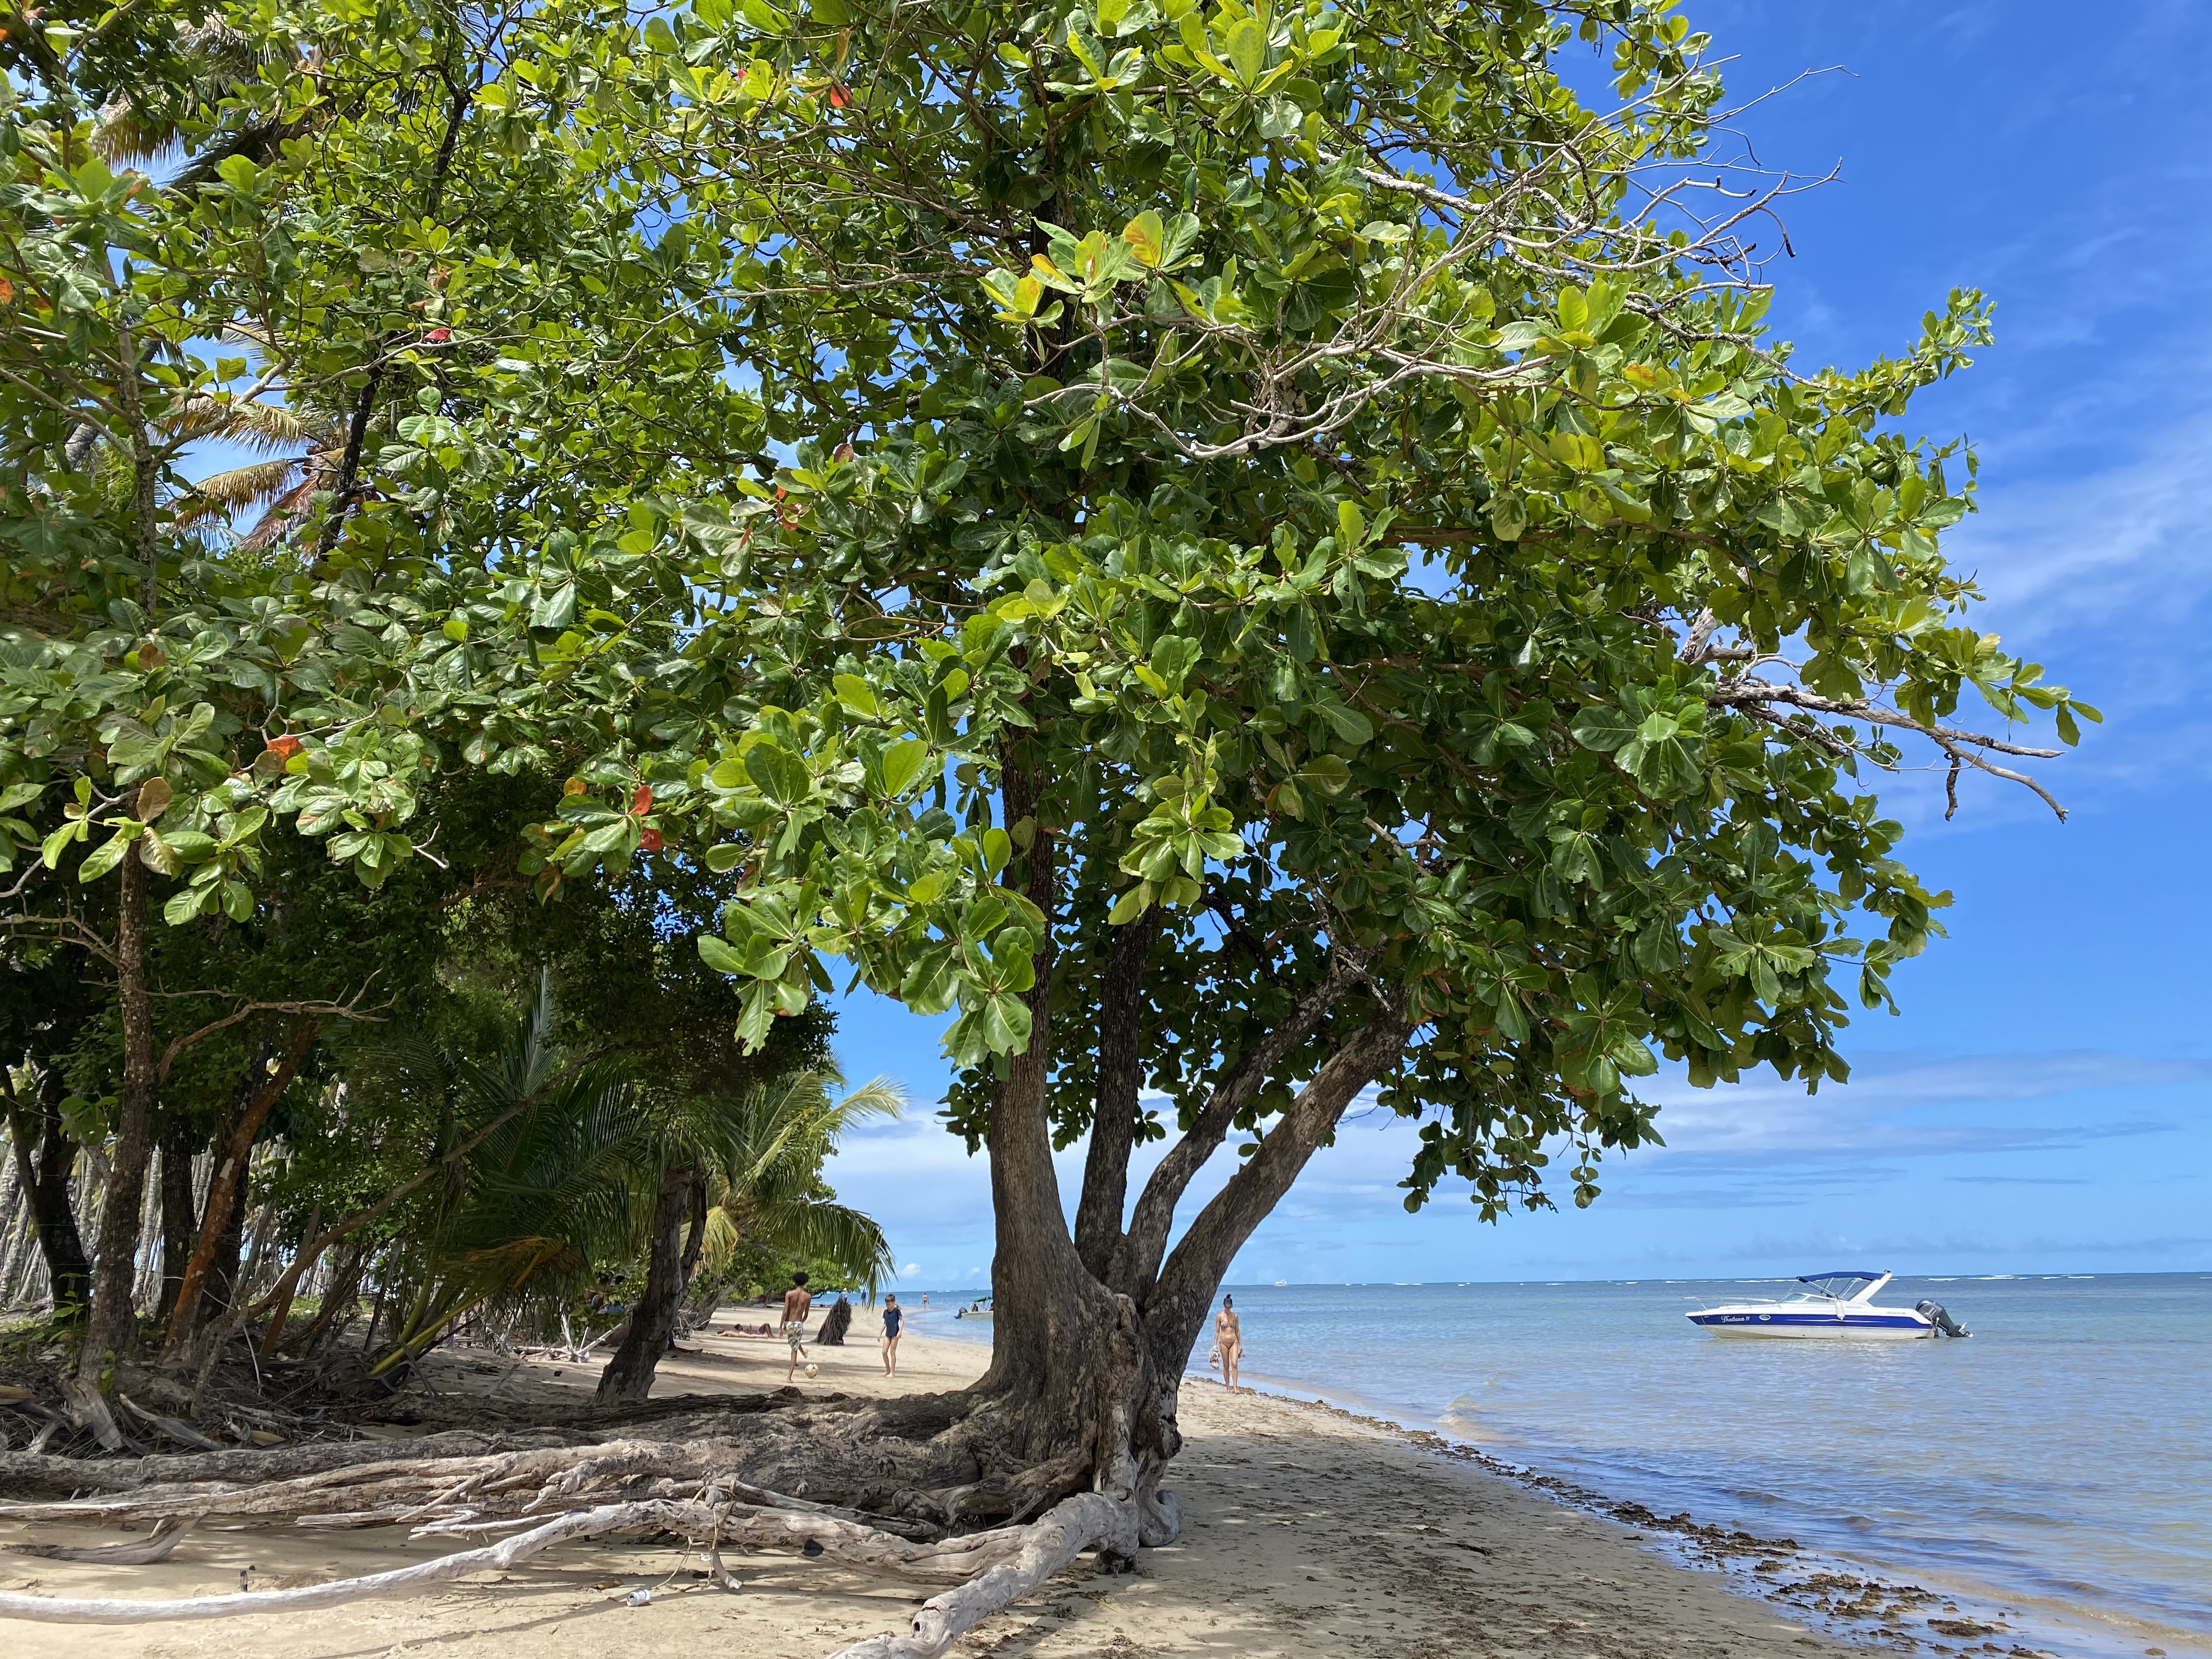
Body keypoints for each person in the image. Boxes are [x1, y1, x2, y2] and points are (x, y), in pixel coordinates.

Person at [782, 1271, 814, 1383]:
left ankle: (789, 1377)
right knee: (795, 1346)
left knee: (794, 1346)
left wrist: (781, 1326)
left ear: (795, 1281)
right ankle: (789, 1377)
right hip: (799, 1324)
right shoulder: (808, 1296)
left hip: (789, 1323)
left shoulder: (789, 1294)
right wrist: (801, 1322)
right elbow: (806, 1315)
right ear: (805, 1282)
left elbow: (786, 1311)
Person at [1214, 1294, 1243, 1393]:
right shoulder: (1220, 1316)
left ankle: (1235, 1387)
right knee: (1226, 1366)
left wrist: (1241, 1346)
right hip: (1223, 1343)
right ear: (1224, 1305)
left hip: (1234, 1342)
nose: (1228, 1309)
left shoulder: (1235, 1316)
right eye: (1227, 1307)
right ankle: (1228, 1387)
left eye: (1230, 1307)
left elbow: (1237, 1331)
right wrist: (1215, 1345)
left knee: (1234, 1364)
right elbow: (1217, 1331)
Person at [881, 1293, 904, 1379]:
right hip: (888, 1333)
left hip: (895, 1333)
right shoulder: (885, 1312)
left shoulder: (897, 1311)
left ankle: (892, 1372)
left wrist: (900, 1331)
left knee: (892, 1352)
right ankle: (888, 1370)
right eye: (886, 1304)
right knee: (884, 1352)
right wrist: (880, 1333)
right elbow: (885, 1323)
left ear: (893, 1303)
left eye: (889, 1304)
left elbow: (902, 1320)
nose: (887, 1306)